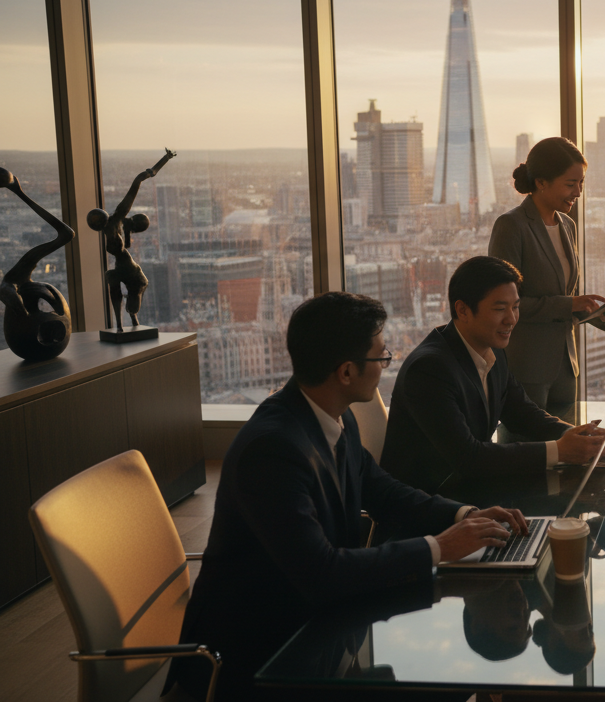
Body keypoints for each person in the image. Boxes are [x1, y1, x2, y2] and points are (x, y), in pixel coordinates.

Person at [167, 291, 528, 700]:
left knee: (446, 681)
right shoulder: (271, 450)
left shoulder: (330, 415)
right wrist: (438, 548)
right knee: (445, 686)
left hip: (320, 623)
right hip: (258, 656)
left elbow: (384, 491)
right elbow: (321, 573)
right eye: (380, 357)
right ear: (345, 372)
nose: (386, 363)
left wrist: (463, 515)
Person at [381, 256, 605, 494]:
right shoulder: (430, 369)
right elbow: (470, 458)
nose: (511, 319)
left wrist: (573, 434)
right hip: (428, 506)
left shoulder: (492, 351)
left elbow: (521, 412)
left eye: (516, 307)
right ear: (463, 310)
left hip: (471, 493)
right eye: (500, 309)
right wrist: (561, 450)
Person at [489, 137, 605, 433]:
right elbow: (503, 306)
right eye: (570, 184)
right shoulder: (511, 226)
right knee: (526, 451)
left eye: (581, 183)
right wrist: (569, 304)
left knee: (567, 454)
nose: (578, 192)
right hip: (526, 368)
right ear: (541, 182)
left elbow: (565, 300)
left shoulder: (567, 225)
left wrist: (598, 315)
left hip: (566, 367)